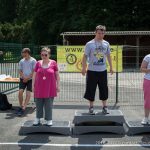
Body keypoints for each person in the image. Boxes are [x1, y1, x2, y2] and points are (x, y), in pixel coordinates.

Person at [81, 25, 113, 114]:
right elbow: (85, 56)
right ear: (95, 33)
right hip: (92, 71)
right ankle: (91, 107)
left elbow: (109, 56)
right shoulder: (89, 44)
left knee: (104, 88)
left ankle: (105, 106)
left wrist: (111, 67)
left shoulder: (106, 43)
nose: (101, 35)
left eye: (103, 33)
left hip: (103, 71)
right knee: (91, 89)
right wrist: (84, 68)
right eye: (99, 33)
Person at [32, 47, 60, 126]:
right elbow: (34, 75)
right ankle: (38, 118)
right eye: (42, 55)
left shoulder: (53, 63)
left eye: (45, 55)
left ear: (49, 55)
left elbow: (57, 75)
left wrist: (58, 86)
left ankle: (49, 119)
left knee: (48, 104)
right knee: (38, 104)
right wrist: (32, 86)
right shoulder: (38, 63)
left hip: (50, 87)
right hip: (39, 87)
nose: (44, 56)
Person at [17, 48, 36, 116]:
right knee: (20, 92)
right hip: (23, 79)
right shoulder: (21, 61)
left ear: (27, 53)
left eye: (23, 53)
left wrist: (27, 78)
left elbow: (34, 71)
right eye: (22, 53)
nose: (22, 54)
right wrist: (24, 77)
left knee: (28, 93)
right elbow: (19, 70)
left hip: (30, 80)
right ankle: (21, 106)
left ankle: (24, 108)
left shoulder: (33, 61)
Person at [141, 54, 150, 125]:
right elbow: (142, 69)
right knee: (148, 100)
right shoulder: (148, 57)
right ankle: (146, 118)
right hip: (148, 80)